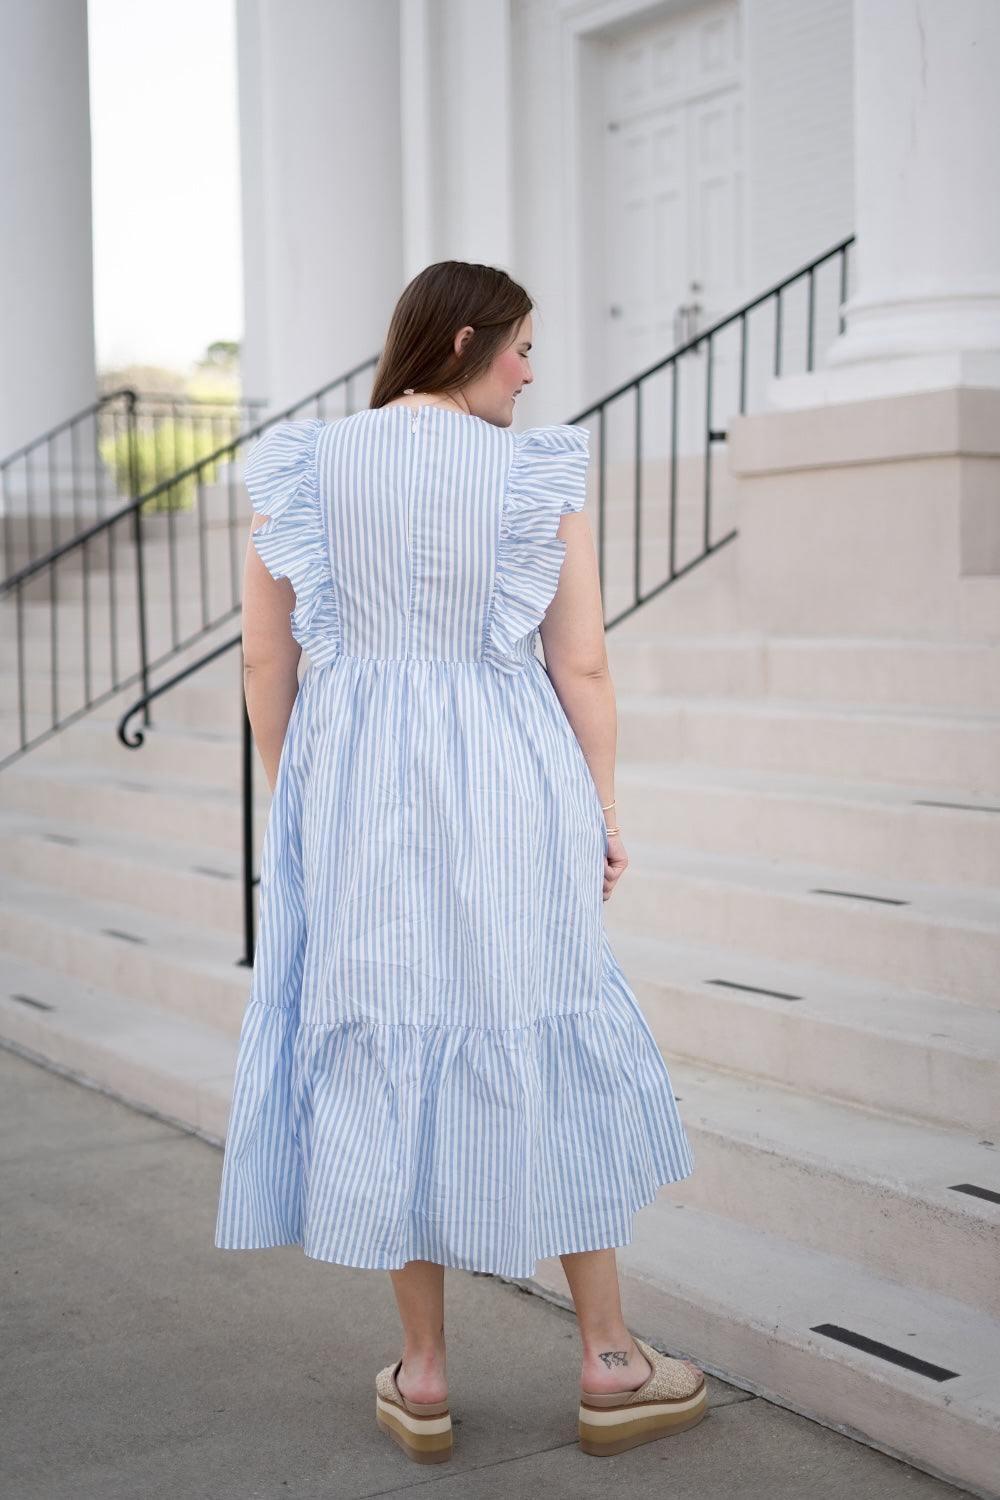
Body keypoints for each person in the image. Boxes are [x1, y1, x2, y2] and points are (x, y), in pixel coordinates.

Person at [216, 261, 706, 1463]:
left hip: (354, 793)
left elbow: (264, 668)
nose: (532, 375)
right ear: (468, 339)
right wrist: (599, 810)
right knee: (543, 1023)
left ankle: (424, 1375)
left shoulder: (304, 468)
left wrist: (300, 797)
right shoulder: (532, 474)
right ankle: (607, 1358)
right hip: (511, 785)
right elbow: (580, 667)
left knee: (388, 1033)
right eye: (523, 350)